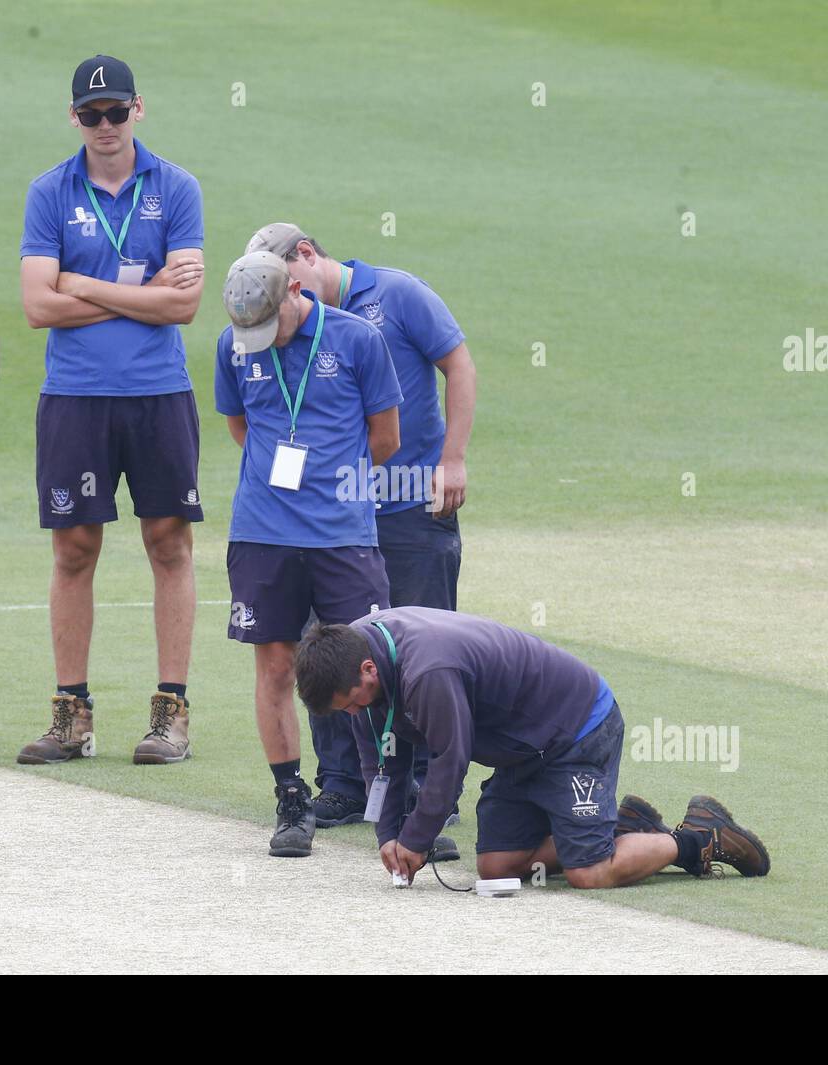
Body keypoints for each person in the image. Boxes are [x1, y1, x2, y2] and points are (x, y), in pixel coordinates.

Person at [243, 224, 477, 828]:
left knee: (419, 650)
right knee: (330, 647)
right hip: (332, 519)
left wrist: (452, 458)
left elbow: (460, 366)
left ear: (307, 256)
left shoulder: (397, 295)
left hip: (408, 503)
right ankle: (344, 783)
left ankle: (426, 786)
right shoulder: (282, 326)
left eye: (286, 282)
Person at [16, 55, 206, 767]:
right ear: (74, 118)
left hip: (158, 392)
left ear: (138, 110)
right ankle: (71, 713)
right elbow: (37, 307)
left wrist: (82, 285)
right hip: (75, 397)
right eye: (91, 114)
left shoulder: (177, 187)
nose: (105, 125)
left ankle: (171, 712)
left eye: (116, 112)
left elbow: (184, 304)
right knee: (74, 548)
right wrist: (141, 291)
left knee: (169, 542)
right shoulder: (49, 191)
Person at [294, 607, 771, 886]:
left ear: (368, 671)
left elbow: (451, 761)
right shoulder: (352, 657)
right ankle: (622, 825)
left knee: (590, 872)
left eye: (352, 704)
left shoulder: (427, 671)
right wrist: (390, 839)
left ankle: (699, 839)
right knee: (497, 868)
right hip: (523, 753)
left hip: (577, 731)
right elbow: (384, 764)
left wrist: (415, 841)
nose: (354, 714)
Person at [214, 250, 401, 857]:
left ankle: (393, 802)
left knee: (373, 665)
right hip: (262, 533)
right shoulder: (234, 342)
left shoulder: (358, 340)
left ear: (295, 287)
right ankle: (292, 800)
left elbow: (386, 437)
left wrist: (330, 488)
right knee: (274, 667)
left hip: (342, 535)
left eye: (271, 322)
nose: (260, 340)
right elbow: (242, 426)